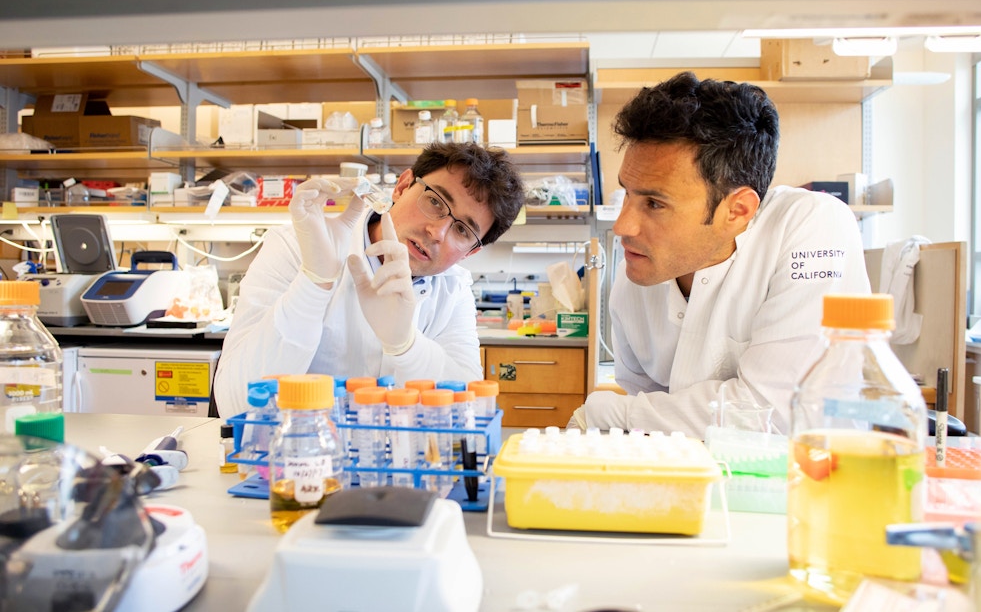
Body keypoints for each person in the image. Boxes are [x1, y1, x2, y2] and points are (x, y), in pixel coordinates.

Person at [569, 71, 870, 437]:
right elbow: (654, 417)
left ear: (737, 210)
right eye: (627, 195)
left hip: (812, 483)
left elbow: (774, 414)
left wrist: (608, 412)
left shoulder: (811, 224)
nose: (623, 227)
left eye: (654, 203)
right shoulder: (639, 270)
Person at [214, 142, 525, 418]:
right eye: (435, 202)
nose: (437, 232)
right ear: (402, 187)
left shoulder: (453, 290)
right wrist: (313, 283)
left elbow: (466, 411)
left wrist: (405, 343)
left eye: (461, 230)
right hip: (297, 465)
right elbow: (235, 407)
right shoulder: (298, 247)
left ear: (469, 252)